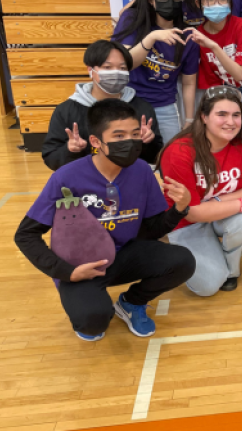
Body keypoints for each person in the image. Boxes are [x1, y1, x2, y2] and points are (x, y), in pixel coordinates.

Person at [14, 99, 195, 341]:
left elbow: (152, 230)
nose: (129, 142)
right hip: (82, 266)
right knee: (93, 323)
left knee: (182, 261)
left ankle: (131, 303)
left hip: (124, 255)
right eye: (118, 136)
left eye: (134, 134)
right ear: (96, 142)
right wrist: (67, 271)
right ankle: (87, 301)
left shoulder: (142, 171)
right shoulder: (66, 177)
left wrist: (179, 209)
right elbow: (25, 235)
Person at [160, 86, 242, 296]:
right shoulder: (180, 151)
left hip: (218, 212)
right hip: (186, 222)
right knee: (207, 288)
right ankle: (190, 253)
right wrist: (240, 203)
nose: (230, 121)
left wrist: (216, 201)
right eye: (222, 114)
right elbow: (192, 212)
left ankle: (230, 268)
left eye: (236, 115)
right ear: (204, 117)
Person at [42, 40, 162, 171]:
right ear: (91, 70)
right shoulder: (67, 110)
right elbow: (51, 158)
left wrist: (147, 142)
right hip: (84, 182)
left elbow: (155, 157)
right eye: (107, 67)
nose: (116, 73)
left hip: (129, 179)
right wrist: (70, 150)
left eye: (122, 68)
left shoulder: (142, 108)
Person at [112, 0, 200, 144]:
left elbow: (189, 82)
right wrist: (151, 39)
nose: (170, 1)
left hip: (165, 105)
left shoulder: (188, 36)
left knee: (170, 154)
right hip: (129, 102)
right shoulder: (133, 20)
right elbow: (124, 64)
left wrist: (189, 120)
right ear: (151, 0)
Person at [187, 0, 242, 146]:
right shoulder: (197, 35)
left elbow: (239, 73)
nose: (217, 4)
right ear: (199, 3)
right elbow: (207, 80)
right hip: (221, 95)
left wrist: (214, 47)